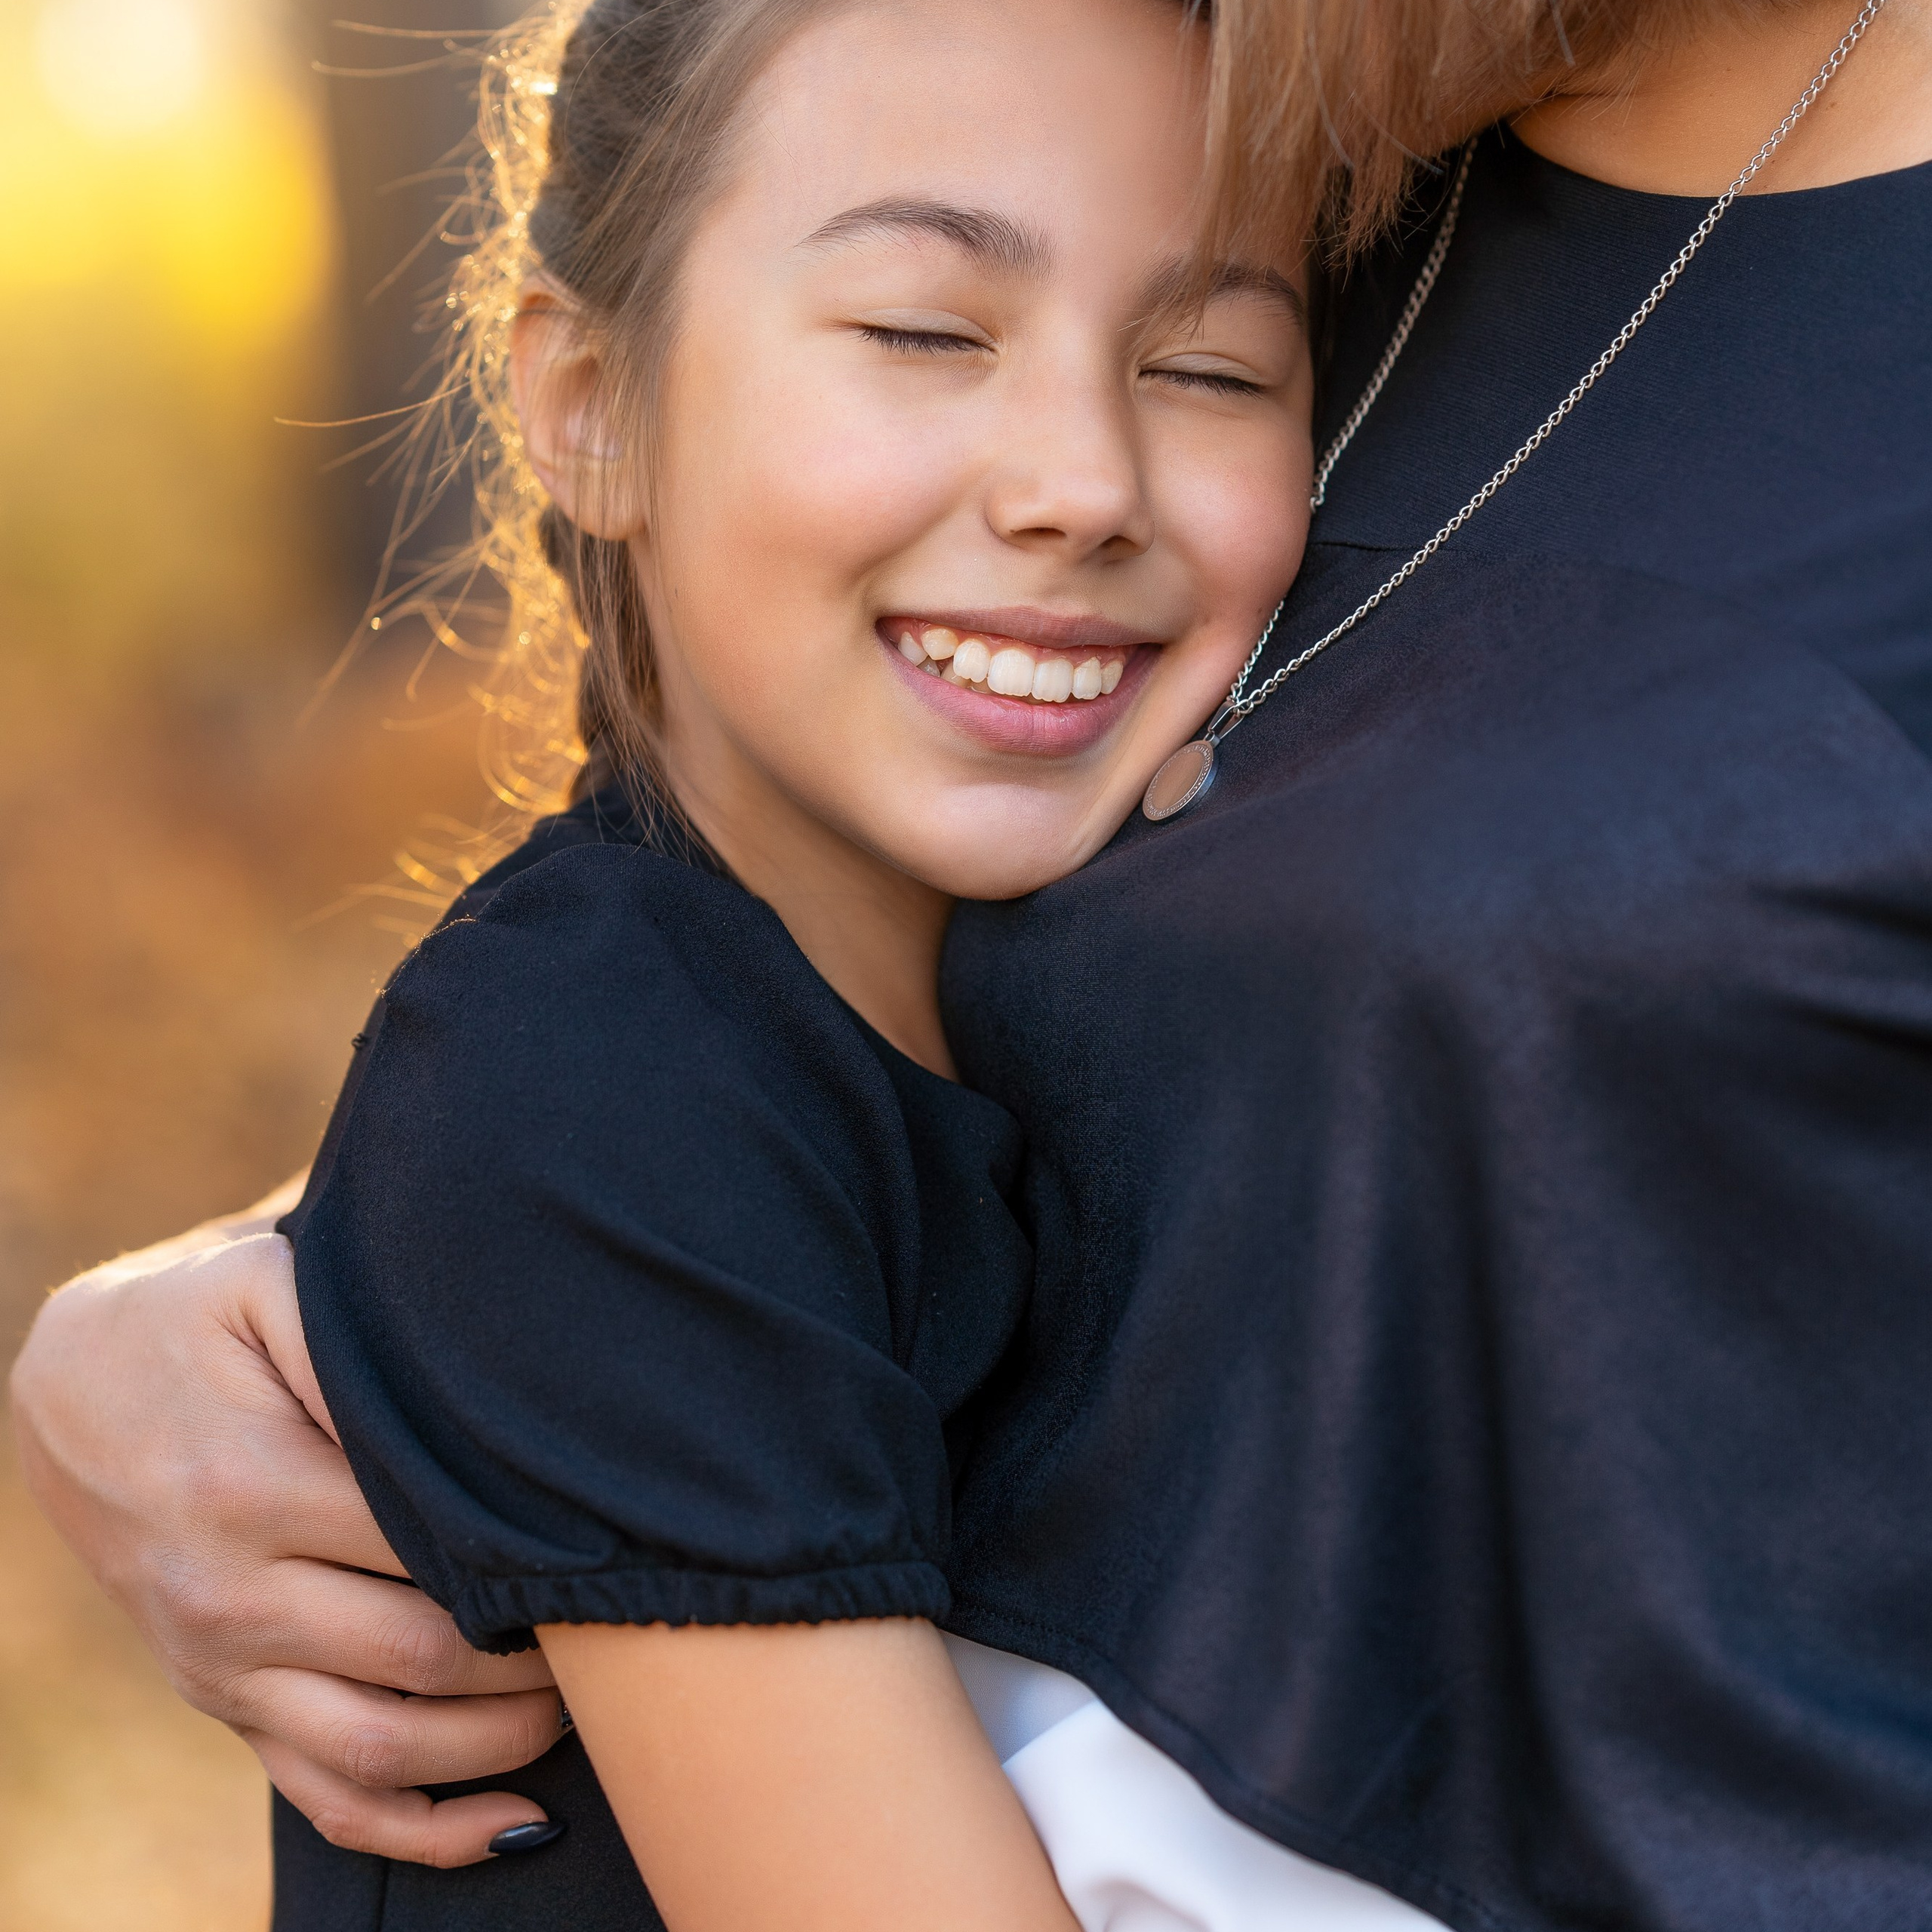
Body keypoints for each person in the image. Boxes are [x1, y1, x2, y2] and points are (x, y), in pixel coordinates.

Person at [14, 0, 1932, 1926]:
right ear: (584, 401)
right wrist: (259, 1273)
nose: (1076, 481)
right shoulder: (1281, 98)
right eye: (925, 334)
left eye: (1203, 367)